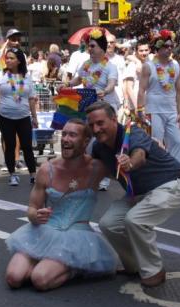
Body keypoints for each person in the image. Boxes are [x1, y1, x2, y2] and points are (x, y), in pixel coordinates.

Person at [86, 101, 180, 287]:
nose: (96, 129)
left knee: (135, 220)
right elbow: (91, 171)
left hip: (171, 184)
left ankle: (154, 271)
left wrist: (130, 164)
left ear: (113, 119)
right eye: (92, 125)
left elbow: (140, 156)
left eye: (100, 123)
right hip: (140, 192)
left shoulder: (131, 132)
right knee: (108, 224)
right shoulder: (98, 148)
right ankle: (133, 265)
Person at [5, 119, 117, 291]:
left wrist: (142, 151)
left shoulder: (97, 168)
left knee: (40, 279)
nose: (65, 139)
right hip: (44, 231)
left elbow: (129, 173)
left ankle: (76, 266)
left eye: (72, 135)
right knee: (14, 278)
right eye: (64, 134)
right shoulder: (47, 169)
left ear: (86, 141)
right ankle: (50, 263)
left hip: (76, 236)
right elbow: (32, 208)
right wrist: (35, 216)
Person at [67, 28, 120, 192]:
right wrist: (68, 84)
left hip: (106, 107)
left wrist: (105, 90)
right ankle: (87, 175)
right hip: (88, 107)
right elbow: (78, 78)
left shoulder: (110, 67)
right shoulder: (86, 64)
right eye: (88, 46)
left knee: (103, 142)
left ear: (102, 49)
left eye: (92, 46)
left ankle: (103, 176)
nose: (89, 49)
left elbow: (111, 84)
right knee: (86, 141)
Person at [0, 47, 38, 186]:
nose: (8, 60)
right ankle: (12, 174)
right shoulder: (1, 75)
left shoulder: (27, 77)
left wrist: (34, 117)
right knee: (10, 145)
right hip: (5, 116)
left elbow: (31, 98)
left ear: (19, 61)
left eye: (12, 58)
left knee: (27, 146)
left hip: (23, 117)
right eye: (7, 58)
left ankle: (33, 175)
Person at [137, 30, 180, 165]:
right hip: (154, 110)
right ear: (158, 48)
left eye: (171, 46)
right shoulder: (148, 66)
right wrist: (140, 110)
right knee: (156, 142)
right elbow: (141, 90)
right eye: (166, 46)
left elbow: (179, 91)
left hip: (171, 110)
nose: (170, 49)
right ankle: (157, 172)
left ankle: (176, 172)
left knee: (177, 142)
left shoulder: (175, 65)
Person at [0, 28, 27, 172]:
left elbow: (24, 74)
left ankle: (17, 159)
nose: (16, 42)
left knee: (17, 131)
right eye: (13, 39)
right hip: (3, 94)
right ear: (7, 40)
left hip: (18, 94)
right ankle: (8, 159)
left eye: (18, 39)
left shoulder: (21, 55)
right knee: (6, 132)